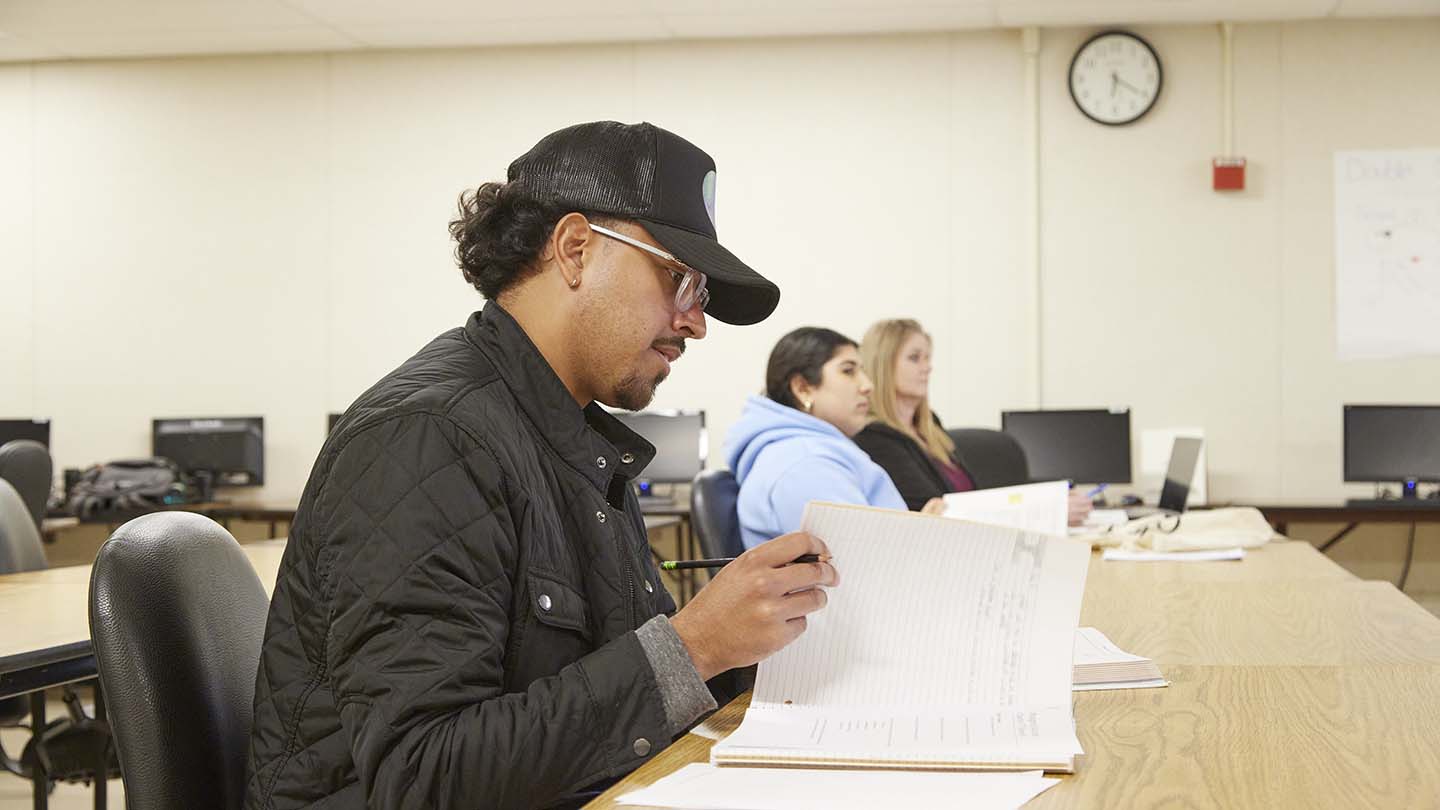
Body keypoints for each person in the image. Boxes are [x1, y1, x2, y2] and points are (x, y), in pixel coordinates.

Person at [245, 122, 839, 810]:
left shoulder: (564, 435)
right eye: (679, 279)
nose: (696, 322)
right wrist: (697, 645)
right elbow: (423, 776)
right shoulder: (429, 437)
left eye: (700, 293)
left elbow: (593, 693)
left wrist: (756, 645)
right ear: (576, 249)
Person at [854, 318, 1091, 525]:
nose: (927, 367)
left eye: (928, 358)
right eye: (915, 358)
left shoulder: (930, 427)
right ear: (883, 364)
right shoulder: (875, 437)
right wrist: (1045, 510)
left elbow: (973, 500)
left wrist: (1048, 500)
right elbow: (937, 511)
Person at [724, 327, 944, 550]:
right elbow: (863, 565)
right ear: (803, 388)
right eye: (848, 371)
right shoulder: (805, 465)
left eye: (863, 372)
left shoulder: (809, 452)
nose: (868, 386)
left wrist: (920, 530)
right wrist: (927, 538)